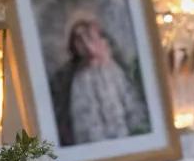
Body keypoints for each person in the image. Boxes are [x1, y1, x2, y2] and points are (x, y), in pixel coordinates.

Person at [54, 14, 150, 146]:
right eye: (79, 41)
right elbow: (83, 119)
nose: (86, 45)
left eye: (90, 38)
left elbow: (131, 103)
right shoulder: (79, 79)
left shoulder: (114, 70)